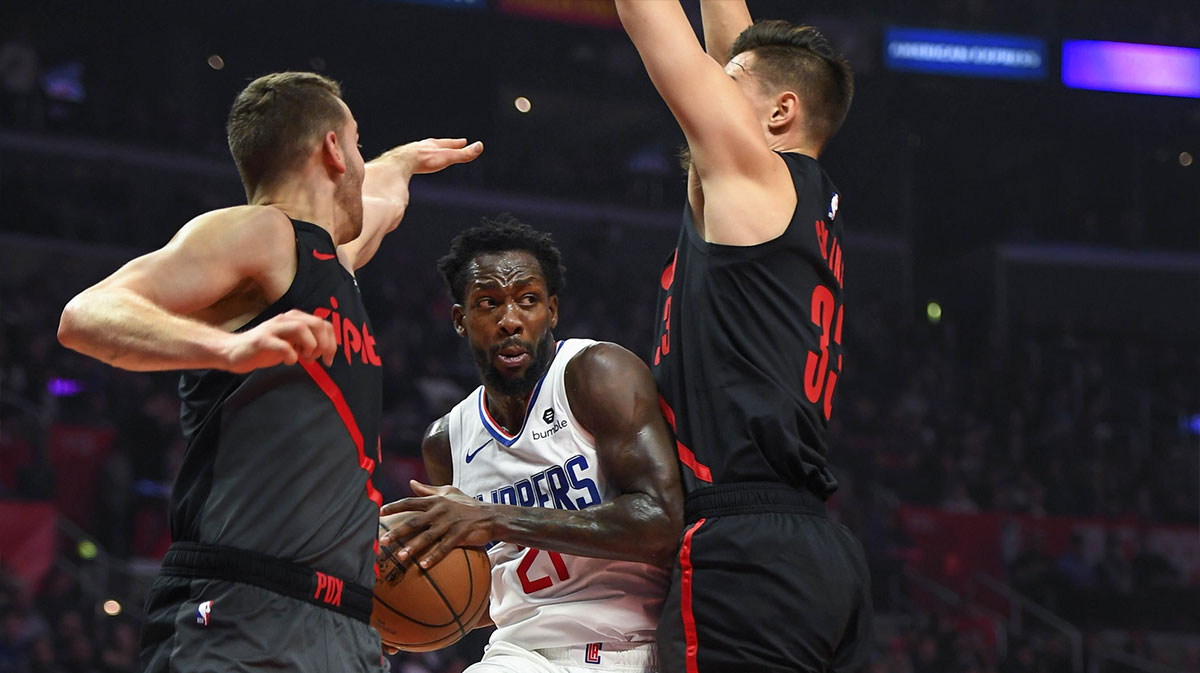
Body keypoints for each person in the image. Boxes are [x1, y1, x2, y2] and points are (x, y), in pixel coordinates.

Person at [56, 71, 482, 672]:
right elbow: (86, 314)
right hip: (244, 611)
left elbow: (383, 200)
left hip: (347, 627)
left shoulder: (330, 260)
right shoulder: (262, 232)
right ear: (333, 150)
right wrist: (228, 348)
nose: (364, 163)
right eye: (358, 144)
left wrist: (401, 160)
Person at [613, 2, 872, 672]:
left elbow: (646, 18)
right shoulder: (794, 201)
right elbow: (741, 45)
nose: (709, 91)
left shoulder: (755, 178)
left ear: (780, 112)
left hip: (746, 549)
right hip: (811, 551)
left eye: (726, 85)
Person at [378, 216, 683, 673]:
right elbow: (482, 587)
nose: (510, 321)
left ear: (552, 311)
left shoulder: (596, 374)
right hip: (516, 652)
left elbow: (664, 522)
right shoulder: (446, 440)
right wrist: (399, 606)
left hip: (623, 645)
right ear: (460, 320)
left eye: (528, 300)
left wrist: (495, 517)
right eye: (488, 303)